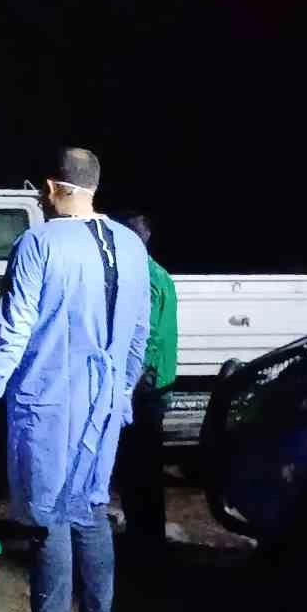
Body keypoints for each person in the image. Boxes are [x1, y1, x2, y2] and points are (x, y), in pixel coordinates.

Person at [0, 147, 151, 612]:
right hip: (105, 402)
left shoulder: (39, 242)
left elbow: (14, 327)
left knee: (48, 516)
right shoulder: (131, 245)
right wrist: (121, 391)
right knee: (91, 511)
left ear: (51, 187)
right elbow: (139, 333)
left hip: (49, 400)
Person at [113, 211, 178, 557]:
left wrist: (129, 384)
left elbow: (147, 336)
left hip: (146, 384)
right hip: (155, 380)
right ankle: (146, 537)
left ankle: (145, 542)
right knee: (145, 465)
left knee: (139, 465)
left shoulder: (144, 277)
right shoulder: (157, 273)